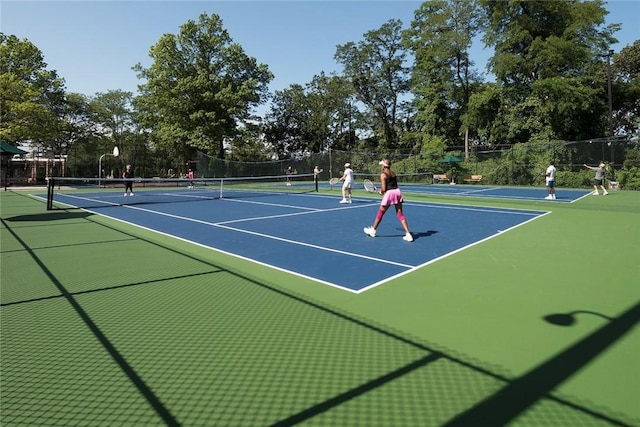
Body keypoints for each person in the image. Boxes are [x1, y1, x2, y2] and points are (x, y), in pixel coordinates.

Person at [363, 159, 413, 242]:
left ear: (384, 166)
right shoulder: (393, 173)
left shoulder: (383, 175)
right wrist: (383, 191)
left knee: (381, 212)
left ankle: (373, 230)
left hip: (390, 193)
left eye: (381, 165)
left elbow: (383, 189)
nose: (381, 167)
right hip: (397, 192)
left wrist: (380, 191)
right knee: (400, 213)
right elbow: (391, 186)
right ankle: (408, 234)